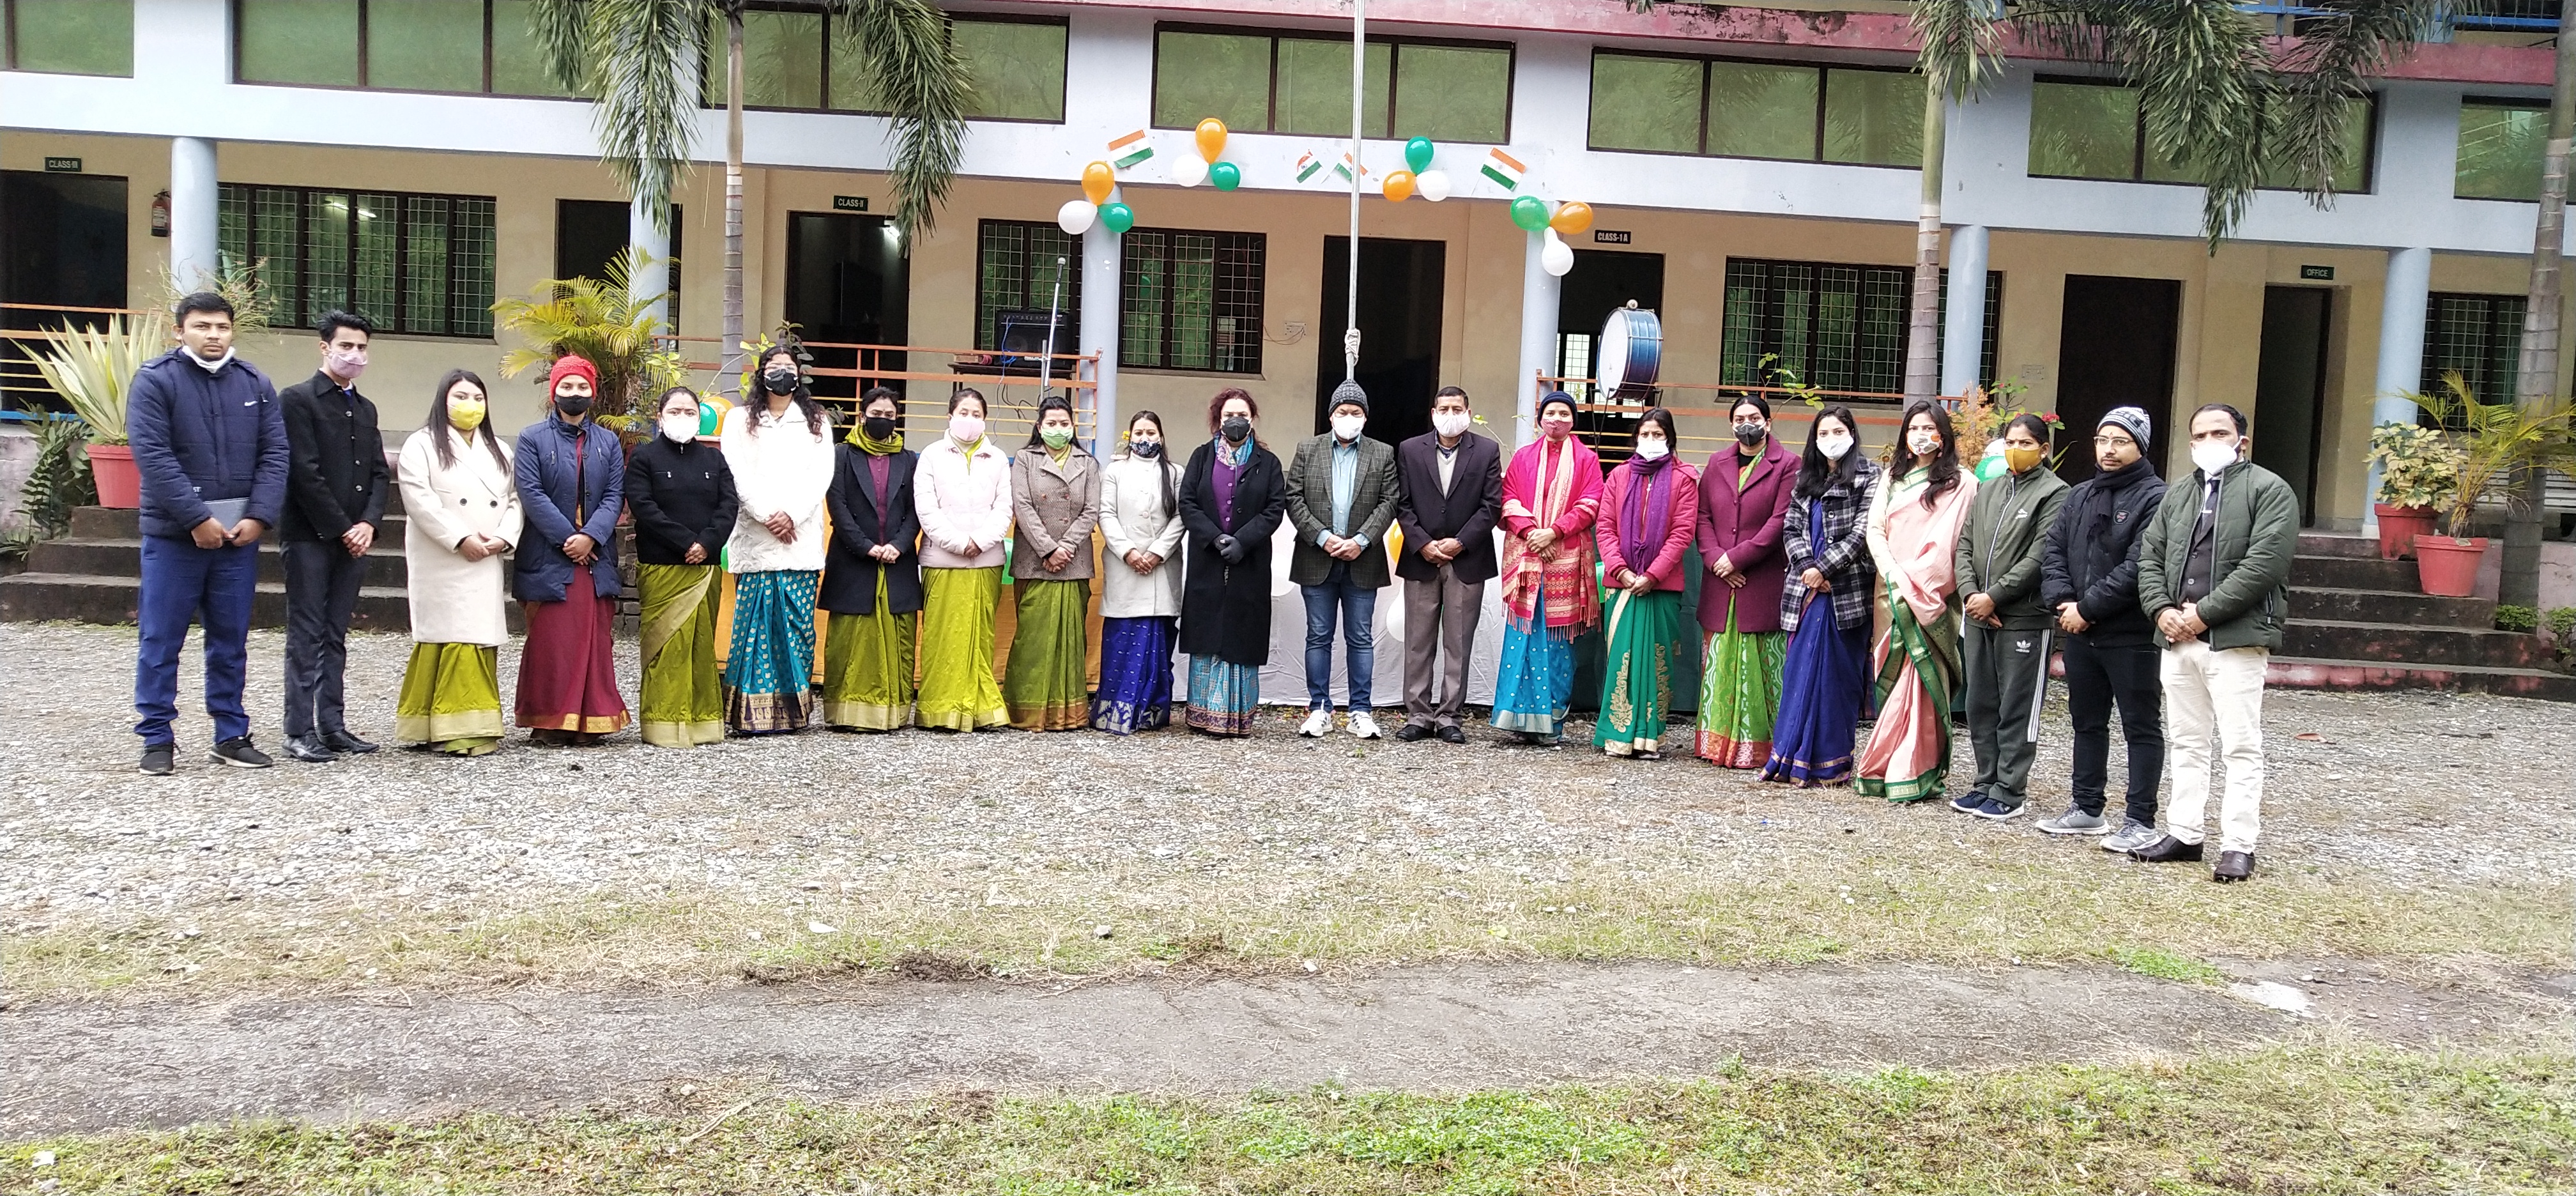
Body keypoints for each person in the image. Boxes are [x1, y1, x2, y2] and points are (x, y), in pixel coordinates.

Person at [2133, 403, 2299, 883]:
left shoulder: (2270, 490)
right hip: (2176, 638)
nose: (2209, 441)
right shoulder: (2179, 494)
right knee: (2187, 741)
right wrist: (2162, 610)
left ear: (2242, 440)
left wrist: (2202, 615)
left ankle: (2238, 845)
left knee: (2240, 746)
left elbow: (2264, 565)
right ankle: (2184, 833)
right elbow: (2150, 558)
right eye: (2201, 434)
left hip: (2236, 640)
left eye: (2219, 433)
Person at [127, 291, 288, 774]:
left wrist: (259, 516)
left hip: (237, 539)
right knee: (161, 641)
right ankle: (157, 737)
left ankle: (231, 734)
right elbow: (153, 456)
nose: (213, 335)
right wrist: (196, 519)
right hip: (175, 538)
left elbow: (275, 453)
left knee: (230, 640)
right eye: (202, 326)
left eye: (221, 326)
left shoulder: (254, 382)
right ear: (180, 331)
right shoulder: (156, 380)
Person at [2037, 407, 2168, 850]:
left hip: (2130, 634)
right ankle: (2087, 807)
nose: (2109, 450)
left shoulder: (2156, 498)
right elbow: (2053, 550)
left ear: (2140, 446)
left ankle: (2140, 819)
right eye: (2102, 440)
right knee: (2087, 722)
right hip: (2079, 631)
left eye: (2120, 441)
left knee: (2140, 726)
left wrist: (2088, 608)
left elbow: (2139, 566)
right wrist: (2063, 602)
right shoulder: (2080, 495)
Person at [275, 310, 390, 764]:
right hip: (310, 535)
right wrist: (344, 527)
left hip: (356, 538)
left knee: (335, 633)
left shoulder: (365, 408)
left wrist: (369, 523)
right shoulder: (297, 400)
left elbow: (379, 472)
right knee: (306, 633)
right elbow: (303, 472)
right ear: (325, 347)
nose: (355, 354)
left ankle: (333, 725)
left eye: (362, 347)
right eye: (346, 346)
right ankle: (298, 729)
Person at [1951, 413, 2073, 820]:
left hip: (2023, 617)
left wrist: (1995, 597)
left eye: (2025, 443)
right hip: (1978, 614)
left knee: (2016, 707)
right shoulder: (1989, 488)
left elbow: (2041, 556)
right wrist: (1971, 594)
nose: (2016, 450)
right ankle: (1985, 783)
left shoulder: (2055, 493)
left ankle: (2010, 790)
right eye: (2010, 442)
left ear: (2044, 449)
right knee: (1980, 704)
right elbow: (1965, 545)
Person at [1853, 401, 1977, 801]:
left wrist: (1914, 581)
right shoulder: (1892, 477)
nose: (1921, 435)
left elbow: (1948, 542)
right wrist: (1892, 573)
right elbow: (1874, 529)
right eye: (1914, 428)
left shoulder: (1962, 482)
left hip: (1930, 593)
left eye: (1929, 428)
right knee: (1892, 676)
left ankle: (1915, 767)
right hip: (1889, 589)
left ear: (1944, 435)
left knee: (1922, 681)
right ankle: (1886, 761)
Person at [393, 371, 520, 756]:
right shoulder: (421, 445)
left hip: (487, 554)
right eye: (461, 397)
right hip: (441, 555)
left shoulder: (500, 449)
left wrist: (503, 537)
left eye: (478, 398)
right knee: (446, 634)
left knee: (476, 634)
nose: (470, 405)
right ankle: (437, 724)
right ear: (443, 400)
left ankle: (474, 726)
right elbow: (419, 500)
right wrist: (460, 538)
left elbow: (515, 499)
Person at [1761, 407, 1882, 786]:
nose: (1831, 439)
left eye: (1838, 431)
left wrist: (1825, 569)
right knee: (1800, 675)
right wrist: (1808, 569)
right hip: (1805, 591)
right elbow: (1791, 528)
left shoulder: (1871, 476)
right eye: (1823, 433)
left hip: (1846, 595)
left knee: (1835, 682)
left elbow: (1863, 532)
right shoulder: (1805, 478)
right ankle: (1788, 758)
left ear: (1852, 434)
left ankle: (1830, 764)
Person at [512, 354, 629, 746]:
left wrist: (591, 536)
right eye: (567, 386)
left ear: (592, 393)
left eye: (582, 387)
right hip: (550, 555)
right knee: (553, 642)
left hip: (596, 557)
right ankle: (549, 721)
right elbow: (531, 493)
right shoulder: (532, 438)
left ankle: (591, 720)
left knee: (593, 640)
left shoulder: (608, 442)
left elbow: (614, 495)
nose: (574, 393)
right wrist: (569, 539)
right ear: (554, 392)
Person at [719, 346, 836, 735]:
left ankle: (792, 713)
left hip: (799, 540)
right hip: (756, 536)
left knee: (798, 628)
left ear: (799, 375)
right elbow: (734, 471)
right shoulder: (739, 420)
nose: (782, 372)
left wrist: (793, 516)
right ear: (761, 373)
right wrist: (766, 514)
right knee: (753, 628)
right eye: (775, 366)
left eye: (789, 366)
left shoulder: (816, 421)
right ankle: (750, 715)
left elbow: (822, 474)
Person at [1286, 380, 1400, 739]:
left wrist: (1361, 541)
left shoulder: (1383, 453)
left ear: (1365, 417)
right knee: (1318, 636)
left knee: (1360, 637)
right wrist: (1323, 537)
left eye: (1355, 412)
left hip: (1363, 560)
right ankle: (1319, 708)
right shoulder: (1308, 449)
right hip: (1316, 557)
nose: (1348, 417)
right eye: (1342, 412)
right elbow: (1294, 497)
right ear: (1331, 416)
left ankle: (1360, 711)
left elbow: (1389, 501)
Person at [627, 386, 739, 748]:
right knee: (667, 647)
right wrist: (685, 543)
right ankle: (663, 725)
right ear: (660, 417)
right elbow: (644, 506)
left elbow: (728, 506)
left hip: (705, 567)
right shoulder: (644, 457)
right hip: (662, 565)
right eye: (674, 411)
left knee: (701, 645)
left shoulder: (714, 460)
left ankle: (702, 724)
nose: (682, 418)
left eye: (690, 412)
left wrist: (706, 543)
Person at [1491, 391, 1603, 745]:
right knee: (1522, 639)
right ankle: (1518, 720)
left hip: (1565, 560)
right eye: (1551, 412)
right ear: (1540, 418)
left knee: (1558, 644)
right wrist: (1532, 534)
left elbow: (1591, 503)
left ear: (1573, 421)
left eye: (1564, 414)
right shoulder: (1523, 457)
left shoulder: (1587, 459)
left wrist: (1554, 532)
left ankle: (1551, 725)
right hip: (1527, 558)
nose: (1557, 419)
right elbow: (1508, 500)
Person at [1392, 385, 1502, 744]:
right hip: (1421, 559)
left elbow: (1491, 505)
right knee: (1417, 642)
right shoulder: (1410, 449)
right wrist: (1423, 543)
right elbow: (1402, 503)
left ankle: (1450, 716)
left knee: (1459, 642)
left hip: (1466, 559)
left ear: (1468, 412)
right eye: (1444, 409)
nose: (1450, 415)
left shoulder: (1486, 450)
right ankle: (1418, 715)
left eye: (1457, 409)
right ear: (1433, 412)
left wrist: (1460, 542)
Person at [1692, 395, 1797, 768]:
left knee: (1763, 667)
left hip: (1761, 579)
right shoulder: (1716, 462)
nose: (1746, 424)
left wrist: (1736, 559)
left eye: (1754, 417)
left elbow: (1780, 522)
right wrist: (1716, 560)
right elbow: (1702, 516)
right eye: (1739, 419)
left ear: (1768, 423)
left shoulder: (1789, 464)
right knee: (1719, 662)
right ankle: (1715, 744)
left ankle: (1761, 747)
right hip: (1720, 580)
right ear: (1731, 424)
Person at [1176, 388, 1287, 737]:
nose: (1235, 421)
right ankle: (1202, 715)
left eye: (1242, 415)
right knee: (1207, 633)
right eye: (1228, 415)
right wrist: (1214, 537)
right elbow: (1187, 502)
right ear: (1218, 419)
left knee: (1242, 633)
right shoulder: (1201, 457)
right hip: (1207, 559)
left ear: (1252, 419)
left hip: (1249, 561)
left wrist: (1243, 541)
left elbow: (1275, 508)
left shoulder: (1269, 463)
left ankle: (1236, 718)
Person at [1593, 407, 1702, 759]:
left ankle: (1649, 737)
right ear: (1635, 438)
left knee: (1657, 661)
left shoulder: (1684, 479)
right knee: (1622, 660)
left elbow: (1682, 532)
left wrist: (1652, 574)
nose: (1651, 440)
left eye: (1658, 435)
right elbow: (1605, 526)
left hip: (1662, 585)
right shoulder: (1619, 476)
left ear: (1670, 438)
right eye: (1645, 435)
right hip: (1621, 584)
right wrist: (1621, 570)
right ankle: (1617, 734)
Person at [820, 387, 922, 732]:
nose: (883, 420)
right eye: (876, 415)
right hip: (853, 559)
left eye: (889, 416)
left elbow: (916, 510)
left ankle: (893, 713)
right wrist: (865, 546)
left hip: (897, 560)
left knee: (898, 635)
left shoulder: (909, 460)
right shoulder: (841, 455)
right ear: (862, 416)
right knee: (850, 639)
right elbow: (837, 505)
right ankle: (847, 713)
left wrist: (900, 545)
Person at [913, 388, 1013, 730]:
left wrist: (980, 541)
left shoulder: (997, 459)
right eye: (964, 413)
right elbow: (926, 508)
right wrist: (958, 543)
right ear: (950, 416)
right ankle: (940, 708)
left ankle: (982, 709)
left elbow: (1004, 508)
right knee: (943, 637)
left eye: (977, 414)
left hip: (986, 560)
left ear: (985, 419)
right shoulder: (931, 456)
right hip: (942, 560)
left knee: (980, 637)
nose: (970, 420)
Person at [1003, 395, 1103, 731]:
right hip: (1034, 561)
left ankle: (1068, 714)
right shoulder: (1025, 460)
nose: (1058, 429)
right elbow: (1022, 506)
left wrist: (1066, 547)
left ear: (1073, 426)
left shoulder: (1088, 463)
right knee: (1032, 639)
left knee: (1070, 642)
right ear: (1039, 426)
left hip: (1074, 562)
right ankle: (1026, 711)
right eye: (1051, 424)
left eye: (1064, 423)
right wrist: (1048, 549)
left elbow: (1091, 510)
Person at [1093, 410, 1186, 735]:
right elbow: (1106, 513)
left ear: (1161, 437)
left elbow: (1182, 516)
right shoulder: (1114, 471)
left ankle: (1151, 713)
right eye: (1139, 433)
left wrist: (1157, 552)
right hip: (1125, 567)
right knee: (1122, 638)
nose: (1145, 439)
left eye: (1151, 433)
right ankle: (1115, 712)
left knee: (1158, 640)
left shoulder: (1175, 472)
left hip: (1162, 568)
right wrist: (1129, 552)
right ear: (1129, 436)